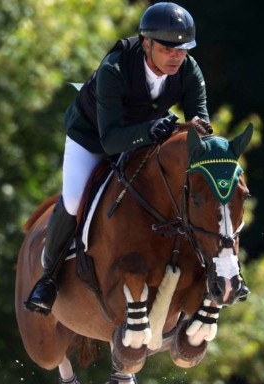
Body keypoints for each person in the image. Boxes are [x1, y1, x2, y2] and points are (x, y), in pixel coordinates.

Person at [25, 2, 211, 315]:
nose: (177, 57)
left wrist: (196, 132)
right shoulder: (115, 69)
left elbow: (202, 127)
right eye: (168, 49)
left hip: (145, 136)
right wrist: (153, 128)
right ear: (146, 43)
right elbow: (111, 140)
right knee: (72, 200)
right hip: (93, 138)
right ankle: (48, 277)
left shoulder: (188, 70)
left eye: (183, 49)